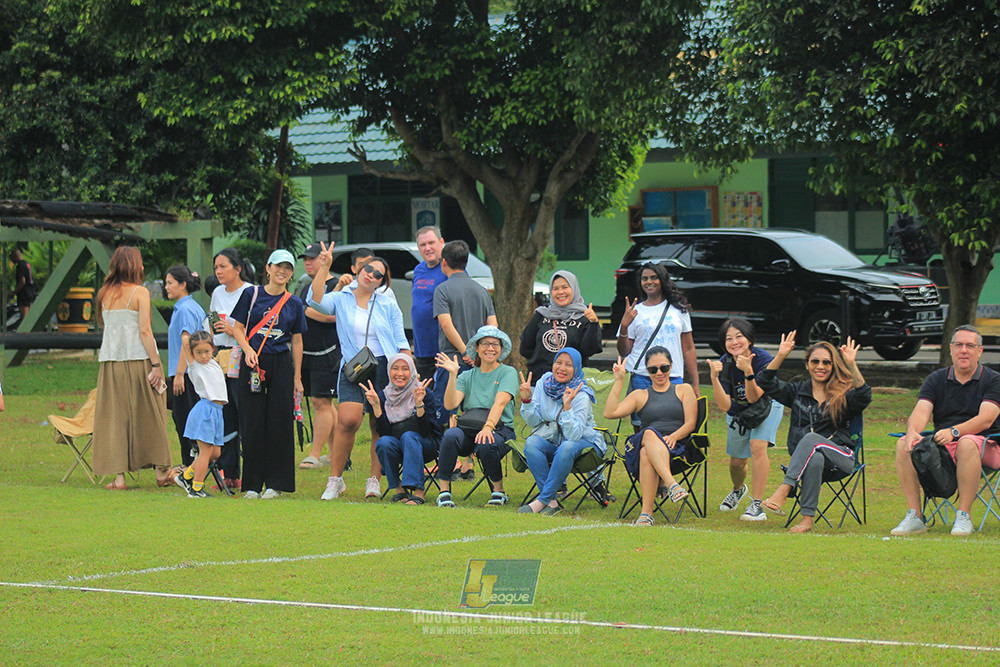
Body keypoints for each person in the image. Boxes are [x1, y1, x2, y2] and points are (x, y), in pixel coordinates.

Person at [307, 242, 410, 501]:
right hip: (353, 367)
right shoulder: (341, 298)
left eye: (377, 274)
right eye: (367, 269)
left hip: (383, 367)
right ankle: (335, 480)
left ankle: (374, 480)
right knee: (348, 420)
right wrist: (324, 266)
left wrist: (409, 373)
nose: (370, 275)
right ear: (358, 270)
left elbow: (401, 342)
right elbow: (314, 300)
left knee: (377, 423)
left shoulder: (387, 305)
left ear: (381, 282)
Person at [891, 325, 1000, 537]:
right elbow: (921, 411)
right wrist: (913, 432)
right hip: (945, 446)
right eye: (958, 345)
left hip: (989, 445)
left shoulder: (994, 380)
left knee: (968, 442)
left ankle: (964, 516)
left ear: (979, 351)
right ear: (950, 349)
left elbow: (986, 419)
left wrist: (955, 432)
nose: (963, 350)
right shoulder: (937, 379)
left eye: (970, 346)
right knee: (903, 443)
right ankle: (915, 516)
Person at [756, 333, 870, 533]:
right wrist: (781, 355)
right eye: (815, 361)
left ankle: (785, 489)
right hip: (808, 461)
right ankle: (806, 521)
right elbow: (764, 382)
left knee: (811, 439)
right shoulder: (797, 391)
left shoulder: (843, 394)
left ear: (833, 366)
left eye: (826, 362)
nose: (821, 366)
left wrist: (851, 364)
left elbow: (864, 396)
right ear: (807, 364)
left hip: (842, 457)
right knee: (815, 456)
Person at [92, 246, 171, 490]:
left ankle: (119, 478)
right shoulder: (140, 292)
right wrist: (156, 363)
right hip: (138, 360)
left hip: (111, 363)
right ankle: (161, 471)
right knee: (152, 411)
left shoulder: (104, 293)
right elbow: (144, 330)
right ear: (134, 265)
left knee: (116, 416)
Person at [231, 249, 307, 499]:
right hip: (253, 363)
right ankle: (252, 484)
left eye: (287, 268)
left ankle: (276, 483)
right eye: (278, 266)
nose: (282, 271)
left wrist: (297, 378)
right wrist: (248, 350)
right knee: (252, 422)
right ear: (268, 268)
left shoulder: (294, 302)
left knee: (279, 422)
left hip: (281, 363)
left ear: (291, 272)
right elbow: (238, 329)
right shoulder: (251, 294)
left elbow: (297, 341)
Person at [604, 347, 698, 526]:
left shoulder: (684, 389)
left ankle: (646, 514)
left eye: (664, 368)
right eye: (653, 370)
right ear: (647, 371)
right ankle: (672, 485)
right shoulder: (640, 395)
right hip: (647, 440)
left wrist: (674, 436)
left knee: (646, 453)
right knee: (647, 433)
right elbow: (610, 412)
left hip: (675, 447)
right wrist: (619, 381)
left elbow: (690, 424)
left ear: (671, 367)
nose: (659, 373)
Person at [707, 318, 785, 521]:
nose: (734, 342)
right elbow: (724, 405)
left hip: (767, 404)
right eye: (728, 338)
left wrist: (748, 372)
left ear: (749, 339)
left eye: (739, 336)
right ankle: (738, 490)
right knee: (737, 462)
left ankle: (756, 504)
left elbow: (754, 397)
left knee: (758, 445)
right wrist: (714, 378)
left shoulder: (762, 359)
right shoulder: (724, 362)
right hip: (739, 410)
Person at [434, 326, 517, 507]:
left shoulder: (508, 372)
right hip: (470, 429)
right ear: (477, 348)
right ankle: (444, 492)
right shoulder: (467, 375)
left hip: (500, 429)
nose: (490, 348)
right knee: (450, 435)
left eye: (495, 344)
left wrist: (488, 427)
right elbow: (450, 404)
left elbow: (500, 403)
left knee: (487, 441)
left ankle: (499, 491)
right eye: (485, 343)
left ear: (501, 349)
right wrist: (453, 375)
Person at [518, 347, 605, 515]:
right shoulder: (545, 383)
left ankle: (541, 501)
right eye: (558, 363)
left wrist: (567, 407)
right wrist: (527, 399)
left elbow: (574, 435)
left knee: (567, 446)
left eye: (568, 365)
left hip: (586, 444)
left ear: (577, 369)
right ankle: (551, 501)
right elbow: (533, 421)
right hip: (555, 441)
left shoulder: (581, 394)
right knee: (532, 442)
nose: (562, 368)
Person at [616, 263, 699, 421]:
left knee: (674, 423)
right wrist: (624, 327)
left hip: (672, 375)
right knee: (642, 426)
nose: (649, 282)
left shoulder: (679, 309)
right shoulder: (635, 311)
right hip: (642, 375)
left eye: (654, 277)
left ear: (662, 280)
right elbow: (624, 352)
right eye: (644, 278)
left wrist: (695, 383)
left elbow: (688, 348)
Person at [432, 240, 498, 424]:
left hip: (452, 361)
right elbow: (493, 327)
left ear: (444, 262)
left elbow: (446, 325)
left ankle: (443, 451)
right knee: (475, 413)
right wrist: (481, 354)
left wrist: (465, 351)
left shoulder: (442, 290)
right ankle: (471, 453)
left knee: (446, 412)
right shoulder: (482, 291)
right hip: (479, 363)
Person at [208, 247, 254, 489]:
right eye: (216, 267)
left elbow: (252, 328)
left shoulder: (250, 292)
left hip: (242, 357)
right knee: (225, 416)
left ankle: (252, 471)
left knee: (245, 414)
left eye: (223, 266)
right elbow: (213, 320)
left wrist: (231, 330)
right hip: (220, 358)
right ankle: (230, 474)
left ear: (238, 268)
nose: (218, 271)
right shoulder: (216, 292)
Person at [368, 353, 441, 505]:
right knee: (383, 443)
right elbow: (385, 433)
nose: (400, 374)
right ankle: (399, 489)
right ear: (389, 371)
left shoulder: (424, 393)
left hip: (425, 445)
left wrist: (419, 404)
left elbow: (426, 431)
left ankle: (419, 491)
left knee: (409, 436)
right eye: (395, 368)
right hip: (398, 445)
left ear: (412, 372)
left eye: (405, 369)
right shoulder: (384, 396)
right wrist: (376, 407)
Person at [296, 243, 341, 470]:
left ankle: (315, 453)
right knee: (323, 402)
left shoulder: (336, 285)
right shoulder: (306, 287)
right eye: (305, 259)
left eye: (313, 258)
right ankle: (335, 453)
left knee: (320, 401)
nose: (308, 262)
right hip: (307, 353)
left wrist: (308, 311)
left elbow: (331, 315)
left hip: (328, 353)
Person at [520, 270, 602, 384]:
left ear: (574, 288)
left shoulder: (584, 317)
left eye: (565, 287)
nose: (560, 292)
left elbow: (588, 351)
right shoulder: (541, 315)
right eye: (555, 288)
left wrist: (594, 323)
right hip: (539, 383)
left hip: (571, 386)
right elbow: (525, 348)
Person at [174, 331, 228, 498]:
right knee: (205, 452)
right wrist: (192, 340)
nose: (203, 356)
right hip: (206, 409)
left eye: (207, 351)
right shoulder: (194, 365)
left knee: (215, 453)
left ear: (213, 349)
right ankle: (196, 489)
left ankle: (186, 476)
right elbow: (184, 339)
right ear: (192, 353)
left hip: (218, 411)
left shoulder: (212, 363)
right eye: (198, 352)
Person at [164, 265, 206, 468]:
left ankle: (189, 467)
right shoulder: (190, 307)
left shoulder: (186, 309)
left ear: (183, 284)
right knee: (185, 418)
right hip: (190, 372)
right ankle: (190, 465)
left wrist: (180, 373)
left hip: (187, 373)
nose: (166, 287)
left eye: (170, 283)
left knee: (184, 420)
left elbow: (186, 341)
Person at [411, 226, 447, 383]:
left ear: (441, 242)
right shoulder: (418, 270)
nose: (427, 248)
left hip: (443, 349)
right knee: (426, 399)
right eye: (422, 245)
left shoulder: (449, 268)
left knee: (446, 401)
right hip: (421, 348)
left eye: (431, 243)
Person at [10, 247, 36, 321]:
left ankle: (25, 332)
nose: (12, 261)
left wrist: (14, 292)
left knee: (24, 318)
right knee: (27, 316)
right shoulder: (27, 264)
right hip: (30, 291)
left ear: (15, 256)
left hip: (24, 294)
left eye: (12, 258)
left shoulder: (20, 266)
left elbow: (22, 281)